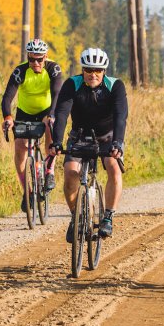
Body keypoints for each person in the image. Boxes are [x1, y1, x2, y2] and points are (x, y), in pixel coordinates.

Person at [48, 48, 128, 242]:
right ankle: (75, 218)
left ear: (104, 71)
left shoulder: (115, 85)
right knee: (70, 173)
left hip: (108, 136)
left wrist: (118, 142)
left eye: (98, 70)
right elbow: (61, 113)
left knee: (113, 168)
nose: (93, 74)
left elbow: (121, 116)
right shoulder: (72, 84)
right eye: (89, 70)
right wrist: (57, 141)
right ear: (82, 70)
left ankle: (108, 217)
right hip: (80, 135)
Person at [1, 39, 63, 209]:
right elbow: (7, 97)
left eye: (39, 59)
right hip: (25, 112)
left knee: (50, 127)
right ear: (28, 57)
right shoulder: (20, 71)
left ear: (46, 57)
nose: (35, 63)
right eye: (32, 59)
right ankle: (27, 191)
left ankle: (49, 171)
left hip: (46, 111)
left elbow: (57, 93)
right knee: (20, 149)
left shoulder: (53, 69)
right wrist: (8, 117)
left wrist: (52, 114)